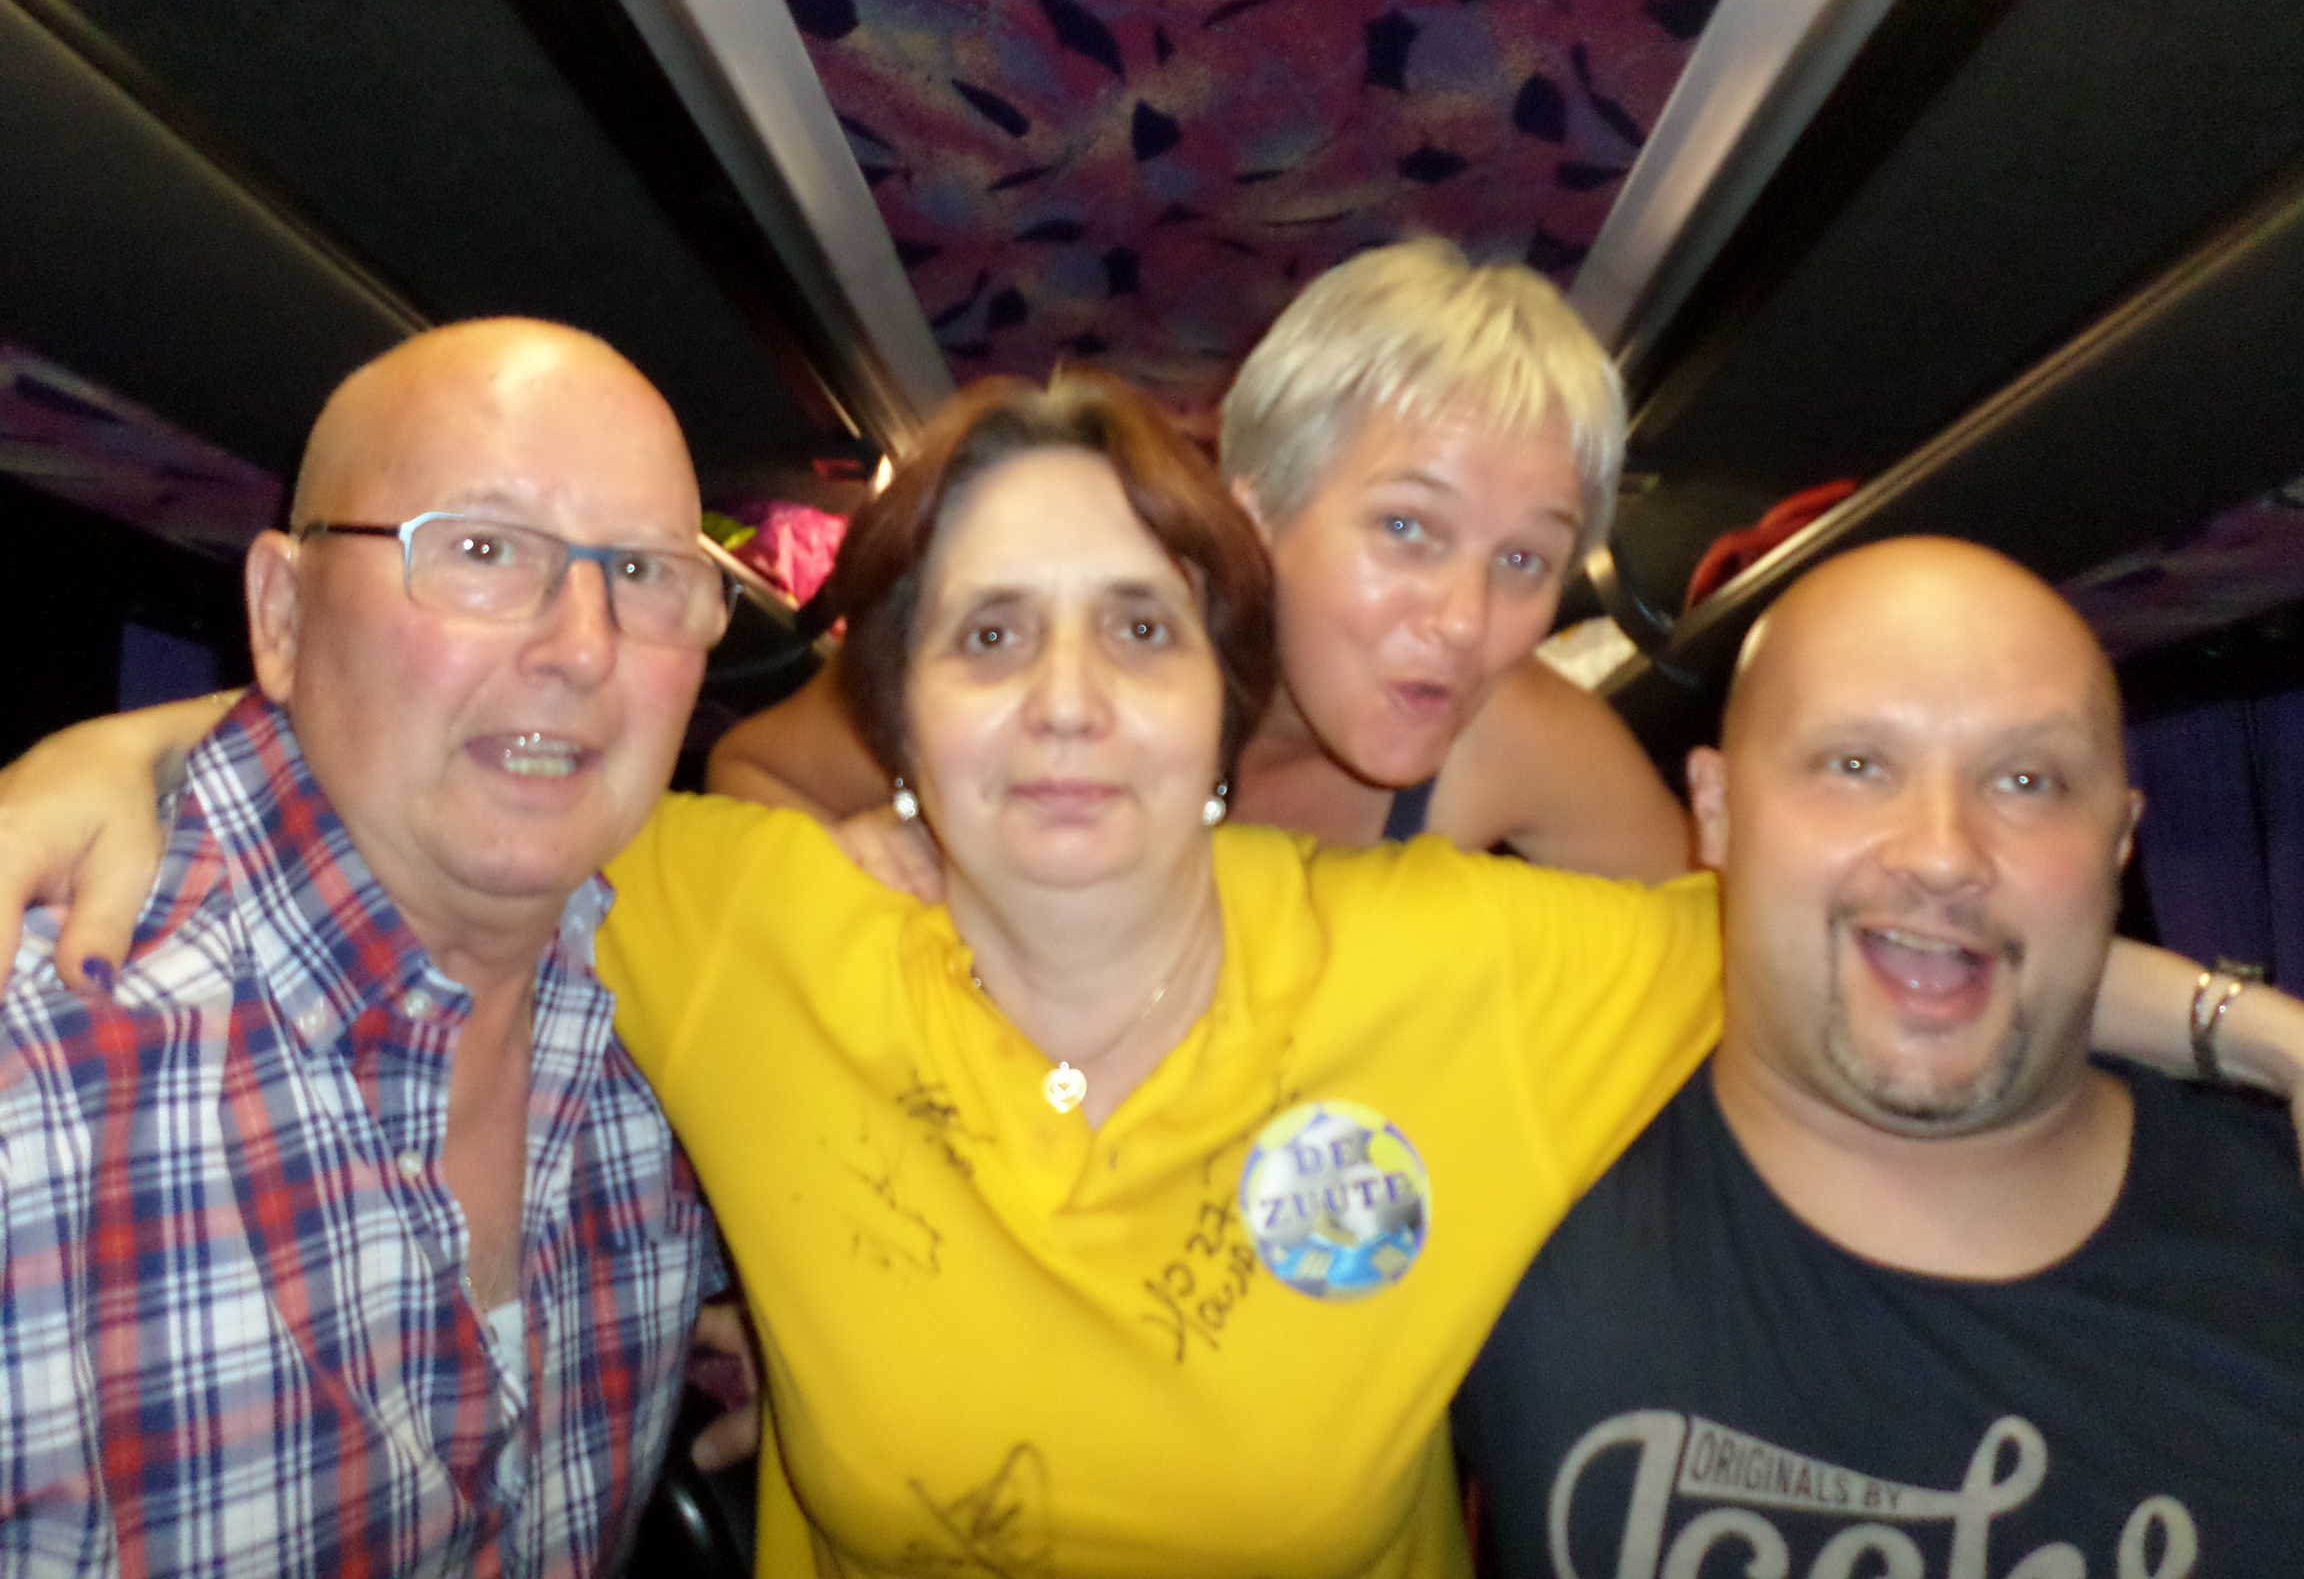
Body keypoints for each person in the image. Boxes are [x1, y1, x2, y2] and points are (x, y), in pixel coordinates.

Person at [3, 386, 2297, 1578]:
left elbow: (1880, 916)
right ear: (901, 718)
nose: (1072, 701)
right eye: (991, 637)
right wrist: (156, 741)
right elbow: (479, 764)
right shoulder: (734, 918)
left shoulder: (1470, 963)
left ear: (1226, 702)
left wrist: (2258, 1030)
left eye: (1138, 628)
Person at [0, 321, 724, 1574]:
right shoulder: (37, 1082)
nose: (583, 647)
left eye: (643, 570)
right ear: (281, 614)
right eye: (482, 550)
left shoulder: (695, 1005)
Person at [1453, 539, 2304, 1576]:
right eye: (1856, 766)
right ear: (1716, 811)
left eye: (2027, 781)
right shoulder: (1513, 1186)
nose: (1942, 853)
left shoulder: (2280, 1233)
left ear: (2119, 843)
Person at [708, 238, 1692, 880]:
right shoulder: (1051, 661)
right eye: (1405, 529)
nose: (1465, 621)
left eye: (1524, 561)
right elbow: (751, 771)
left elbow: (1707, 950)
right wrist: (862, 884)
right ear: (1253, 515)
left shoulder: (1518, 740)